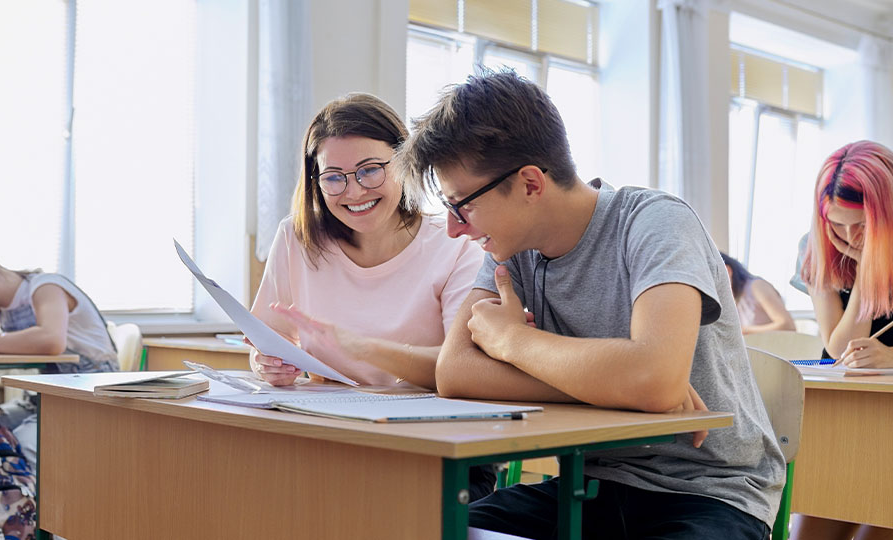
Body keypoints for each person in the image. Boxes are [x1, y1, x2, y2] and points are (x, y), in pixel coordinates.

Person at [398, 70, 784, 539]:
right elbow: (455, 373)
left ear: (531, 184)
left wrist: (514, 339)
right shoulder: (508, 249)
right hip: (589, 484)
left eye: (463, 205)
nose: (455, 228)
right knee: (435, 529)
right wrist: (628, 389)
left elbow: (655, 380)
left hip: (707, 492)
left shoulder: (655, 222)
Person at [248, 93, 494, 500]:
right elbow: (264, 343)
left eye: (370, 170)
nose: (353, 191)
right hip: (330, 438)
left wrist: (363, 348)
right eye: (333, 177)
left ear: (405, 161)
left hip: (431, 446)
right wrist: (266, 364)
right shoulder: (296, 238)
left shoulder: (454, 246)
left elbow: (463, 371)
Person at [0, 239, 118, 465]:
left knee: (26, 443)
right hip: (46, 398)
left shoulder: (45, 287)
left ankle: (28, 499)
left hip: (91, 398)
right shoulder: (4, 312)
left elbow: (52, 340)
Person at [793, 141, 893, 540]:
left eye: (863, 225)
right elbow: (838, 349)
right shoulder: (815, 246)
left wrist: (890, 357)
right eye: (836, 223)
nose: (849, 237)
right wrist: (870, 266)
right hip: (845, 413)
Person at [720, 252, 796, 334]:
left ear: (727, 271)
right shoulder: (730, 301)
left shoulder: (757, 286)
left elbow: (787, 326)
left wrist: (742, 331)